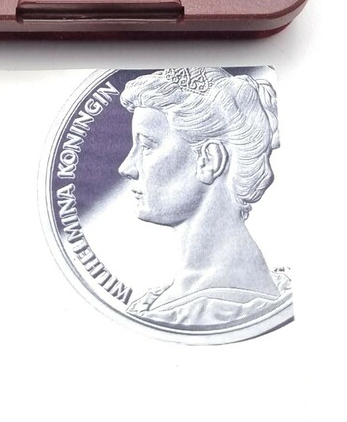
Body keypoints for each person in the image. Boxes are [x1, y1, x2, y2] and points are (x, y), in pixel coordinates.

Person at [118, 67, 292, 331]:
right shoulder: (176, 297)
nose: (127, 167)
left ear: (209, 160)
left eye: (146, 146)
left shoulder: (213, 310)